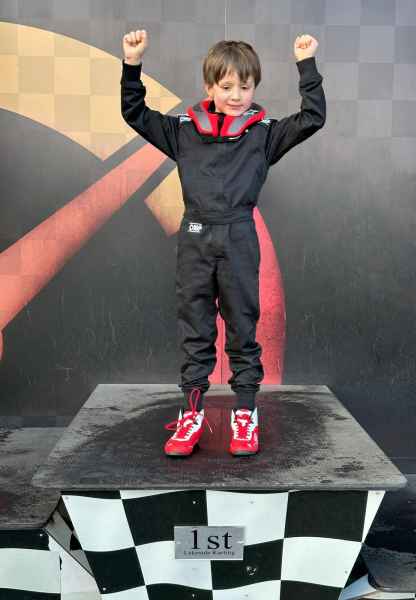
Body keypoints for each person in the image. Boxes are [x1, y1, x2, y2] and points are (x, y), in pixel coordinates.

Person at [121, 30, 326, 457]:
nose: (236, 96)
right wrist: (132, 63)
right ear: (209, 87)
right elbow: (135, 112)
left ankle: (245, 414)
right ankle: (191, 415)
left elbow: (312, 117)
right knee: (195, 330)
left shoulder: (264, 134)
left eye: (245, 87)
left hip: (238, 238)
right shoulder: (182, 131)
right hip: (195, 239)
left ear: (254, 89)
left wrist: (306, 65)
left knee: (242, 330)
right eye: (227, 86)